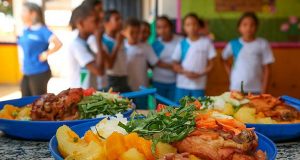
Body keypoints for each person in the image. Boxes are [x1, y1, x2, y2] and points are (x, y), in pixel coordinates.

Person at [222, 12, 274, 94]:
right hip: (236, 88)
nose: (248, 28)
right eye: (245, 24)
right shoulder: (233, 44)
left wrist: (264, 91)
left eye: (252, 25)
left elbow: (267, 69)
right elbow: (223, 58)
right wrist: (230, 72)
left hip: (256, 89)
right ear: (239, 27)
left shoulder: (262, 43)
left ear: (256, 27)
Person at [18, 2, 62, 96]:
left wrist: (46, 54)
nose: (21, 14)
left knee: (37, 102)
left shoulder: (43, 31)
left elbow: (58, 44)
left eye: (24, 11)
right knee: (24, 101)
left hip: (39, 71)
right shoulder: (26, 30)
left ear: (33, 14)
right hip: (26, 71)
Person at [172, 13, 216, 102]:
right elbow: (174, 64)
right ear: (184, 27)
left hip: (199, 85)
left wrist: (200, 73)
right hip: (182, 85)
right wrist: (184, 72)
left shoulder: (206, 43)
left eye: (194, 24)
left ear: (199, 26)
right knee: (179, 110)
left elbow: (212, 64)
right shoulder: (182, 43)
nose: (191, 27)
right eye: (188, 24)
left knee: (198, 112)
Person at [67, 4, 103, 89]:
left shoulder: (86, 42)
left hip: (88, 92)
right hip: (80, 94)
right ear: (81, 23)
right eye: (95, 21)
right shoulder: (76, 45)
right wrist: (98, 41)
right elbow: (99, 71)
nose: (100, 25)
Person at [152, 16, 182, 100]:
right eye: (159, 27)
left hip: (176, 82)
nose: (162, 30)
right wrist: (173, 66)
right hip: (159, 81)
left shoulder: (180, 41)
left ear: (171, 27)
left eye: (165, 26)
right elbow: (155, 62)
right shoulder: (156, 44)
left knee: (174, 107)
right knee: (160, 108)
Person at [101, 10, 130, 92]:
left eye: (121, 19)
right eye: (117, 19)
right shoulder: (103, 41)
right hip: (113, 79)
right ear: (106, 23)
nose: (121, 21)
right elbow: (109, 65)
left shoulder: (121, 38)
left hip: (124, 78)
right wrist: (117, 44)